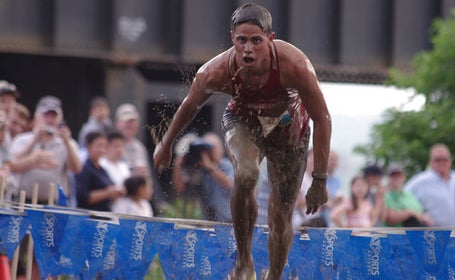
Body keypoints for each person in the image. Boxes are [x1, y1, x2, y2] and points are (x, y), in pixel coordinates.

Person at [153, 3, 331, 279]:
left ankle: (274, 273)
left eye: (256, 41)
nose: (248, 49)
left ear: (270, 40)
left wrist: (319, 179)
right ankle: (244, 261)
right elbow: (189, 106)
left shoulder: (294, 65)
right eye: (242, 41)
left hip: (290, 131)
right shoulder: (214, 72)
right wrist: (165, 144)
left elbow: (323, 118)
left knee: (281, 215)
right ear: (233, 39)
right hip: (243, 122)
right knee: (246, 174)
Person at [10, 96, 82, 204]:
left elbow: (76, 169)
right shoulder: (23, 139)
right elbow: (12, 166)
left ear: (60, 119)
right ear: (37, 118)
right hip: (24, 201)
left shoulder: (68, 143)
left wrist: (67, 143)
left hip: (54, 203)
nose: (50, 120)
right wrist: (33, 157)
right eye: (46, 116)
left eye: (54, 116)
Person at [404, 144, 455, 227]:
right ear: (430, 162)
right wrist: (420, 215)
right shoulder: (420, 181)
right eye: (437, 160)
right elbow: (401, 199)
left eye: (445, 159)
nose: (442, 162)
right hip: (433, 235)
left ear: (450, 160)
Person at [76, 131, 125, 211]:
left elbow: (112, 187)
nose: (101, 150)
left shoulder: (102, 170)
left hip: (105, 214)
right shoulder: (84, 169)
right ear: (88, 146)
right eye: (98, 146)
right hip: (90, 216)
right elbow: (84, 197)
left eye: (104, 146)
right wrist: (107, 193)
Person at [197, 132, 234, 222]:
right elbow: (180, 188)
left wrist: (211, 167)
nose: (209, 152)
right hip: (208, 220)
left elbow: (230, 184)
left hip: (227, 220)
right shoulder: (200, 168)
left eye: (212, 148)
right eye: (206, 149)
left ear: (221, 149)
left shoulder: (228, 165)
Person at [114, 103, 150, 177]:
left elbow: (147, 179)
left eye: (133, 122)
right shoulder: (108, 146)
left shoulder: (140, 148)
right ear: (117, 124)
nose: (130, 125)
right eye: (126, 121)